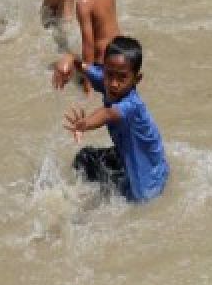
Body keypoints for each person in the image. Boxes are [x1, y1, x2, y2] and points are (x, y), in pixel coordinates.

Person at [61, 36, 169, 203]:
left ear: (136, 79)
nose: (113, 84)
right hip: (129, 155)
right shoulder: (107, 80)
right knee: (84, 158)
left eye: (122, 78)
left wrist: (86, 123)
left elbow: (108, 114)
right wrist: (68, 61)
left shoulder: (132, 105)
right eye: (109, 74)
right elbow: (82, 66)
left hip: (148, 181)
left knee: (136, 201)